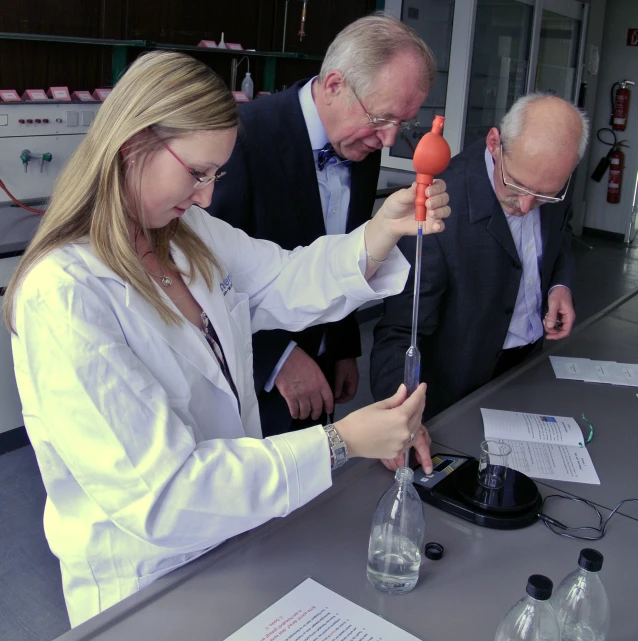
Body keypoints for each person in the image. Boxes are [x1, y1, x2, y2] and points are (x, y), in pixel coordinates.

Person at [3, 51, 450, 627]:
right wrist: (340, 442)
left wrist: (381, 231)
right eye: (196, 173)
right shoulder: (65, 295)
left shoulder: (184, 231)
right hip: (145, 583)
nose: (208, 196)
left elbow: (284, 277)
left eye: (217, 175)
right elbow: (164, 495)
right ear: (132, 143)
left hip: (231, 541)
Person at [208, 13, 437, 437]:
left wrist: (342, 347)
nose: (388, 141)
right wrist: (274, 358)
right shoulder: (243, 137)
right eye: (382, 119)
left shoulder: (360, 143)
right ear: (334, 85)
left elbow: (337, 247)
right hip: (251, 382)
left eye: (402, 125)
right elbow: (207, 274)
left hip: (323, 368)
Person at [371, 93, 590, 437]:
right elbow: (400, 333)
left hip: (528, 363)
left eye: (545, 195)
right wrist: (398, 422)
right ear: (494, 143)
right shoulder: (441, 206)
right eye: (516, 186)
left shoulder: (551, 175)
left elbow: (561, 233)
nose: (528, 205)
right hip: (457, 392)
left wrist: (560, 285)